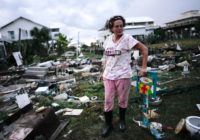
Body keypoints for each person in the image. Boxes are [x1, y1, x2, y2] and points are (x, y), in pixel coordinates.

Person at [101, 15, 148, 137]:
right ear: (111, 27)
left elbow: (144, 49)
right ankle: (108, 124)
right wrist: (103, 70)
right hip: (108, 75)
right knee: (107, 100)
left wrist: (143, 68)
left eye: (121, 26)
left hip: (123, 75)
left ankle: (122, 121)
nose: (119, 28)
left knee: (122, 100)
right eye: (116, 26)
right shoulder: (107, 40)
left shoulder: (128, 39)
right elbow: (106, 57)